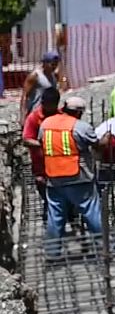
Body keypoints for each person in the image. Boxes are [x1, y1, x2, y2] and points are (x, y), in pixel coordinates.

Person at [40, 96, 108, 260]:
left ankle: (52, 253)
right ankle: (105, 248)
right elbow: (97, 145)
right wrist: (105, 140)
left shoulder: (46, 124)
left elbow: (40, 143)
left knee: (55, 217)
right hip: (79, 177)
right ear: (78, 112)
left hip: (53, 178)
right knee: (92, 214)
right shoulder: (80, 127)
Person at [21, 87, 61, 221]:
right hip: (41, 166)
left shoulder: (61, 116)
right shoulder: (34, 117)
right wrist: (45, 144)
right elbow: (26, 140)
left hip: (60, 166)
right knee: (46, 193)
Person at [20, 50, 63, 125]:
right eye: (52, 64)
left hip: (49, 114)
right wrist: (23, 116)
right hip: (36, 113)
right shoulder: (35, 76)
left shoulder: (54, 76)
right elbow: (24, 96)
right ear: (45, 63)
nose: (54, 67)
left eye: (56, 64)